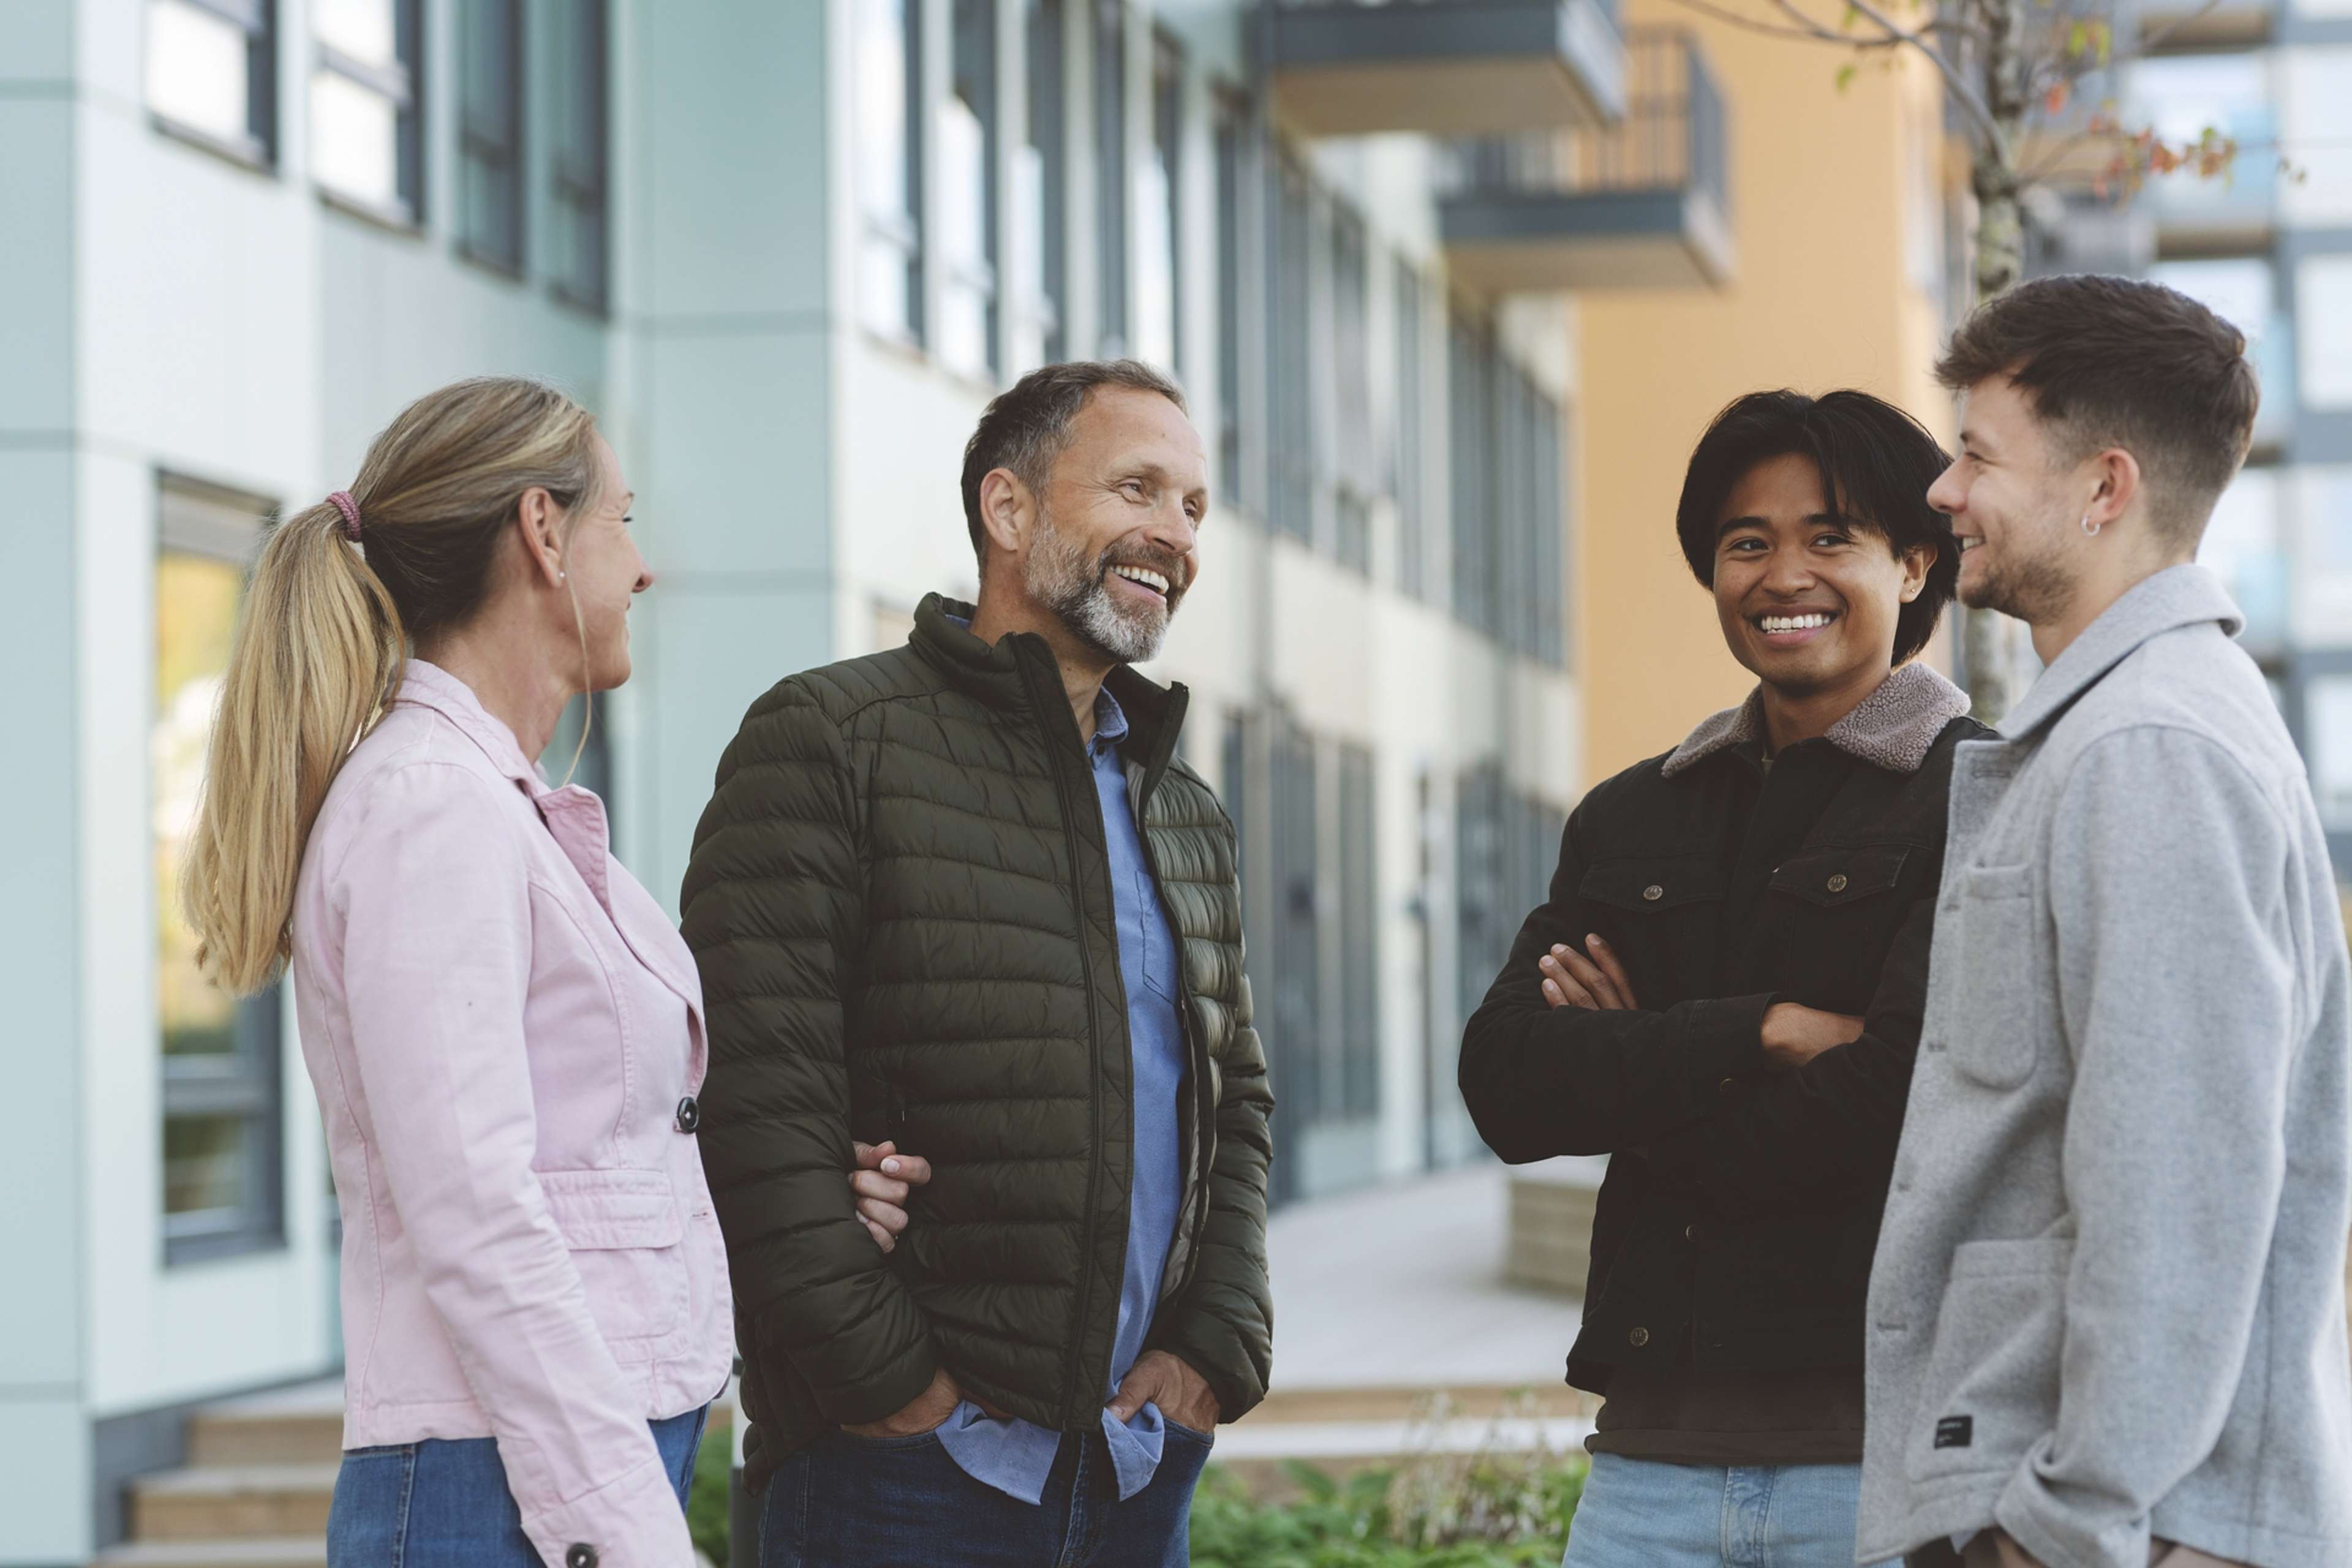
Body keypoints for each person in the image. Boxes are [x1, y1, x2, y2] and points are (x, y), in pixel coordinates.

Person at [178, 377, 927, 1568]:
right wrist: (630, 1535)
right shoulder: (432, 806)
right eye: (622, 520)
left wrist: (801, 1205)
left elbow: (585, 1163)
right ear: (541, 529)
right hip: (496, 1493)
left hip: (535, 1473)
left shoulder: (493, 806)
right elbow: (475, 1212)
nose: (644, 568)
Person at [680, 359, 1275, 1567]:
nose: (1175, 534)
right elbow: (753, 1100)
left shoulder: (1182, 809)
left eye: (1193, 507)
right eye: (1138, 488)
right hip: (898, 1478)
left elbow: (1235, 1103)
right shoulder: (831, 740)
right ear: (1009, 509)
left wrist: (1211, 1353)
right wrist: (893, 1390)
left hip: (1133, 1472)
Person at [1858, 277, 2352, 1568]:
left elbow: (2178, 1187)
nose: (1944, 490)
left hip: (2119, 1528)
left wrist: (2060, 1523)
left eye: (1977, 455)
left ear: (2105, 487)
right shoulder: (2131, 726)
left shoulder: (2150, 748)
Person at [1460, 389, 1979, 1567]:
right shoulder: (1634, 813)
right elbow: (1507, 1084)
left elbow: (1907, 1103)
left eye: (1830, 538)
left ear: (1914, 564)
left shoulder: (1983, 795)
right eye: (1748, 542)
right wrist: (1770, 1031)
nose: (1784, 575)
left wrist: (1640, 1078)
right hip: (1647, 1468)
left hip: (1880, 1469)